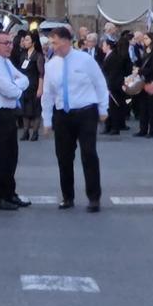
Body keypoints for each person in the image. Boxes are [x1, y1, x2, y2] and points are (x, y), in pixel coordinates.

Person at [41, 24, 108, 213]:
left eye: (55, 42)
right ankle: (67, 196)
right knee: (63, 156)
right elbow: (48, 94)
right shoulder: (51, 65)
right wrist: (47, 120)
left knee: (88, 154)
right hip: (63, 114)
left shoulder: (85, 60)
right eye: (51, 43)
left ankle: (94, 197)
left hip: (86, 111)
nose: (53, 46)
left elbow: (100, 84)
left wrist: (103, 108)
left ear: (66, 41)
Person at [0, 27, 30, 210]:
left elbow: (24, 79)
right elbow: (10, 91)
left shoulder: (5, 61)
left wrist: (15, 85)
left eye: (11, 42)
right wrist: (16, 86)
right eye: (6, 43)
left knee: (11, 156)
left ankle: (10, 193)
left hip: (8, 113)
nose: (10, 46)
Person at [102, 30, 135, 135]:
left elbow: (113, 73)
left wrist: (109, 85)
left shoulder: (114, 57)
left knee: (114, 107)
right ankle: (108, 126)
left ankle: (115, 128)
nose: (102, 47)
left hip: (114, 85)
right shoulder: (109, 56)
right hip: (110, 84)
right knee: (109, 107)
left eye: (103, 45)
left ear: (108, 46)